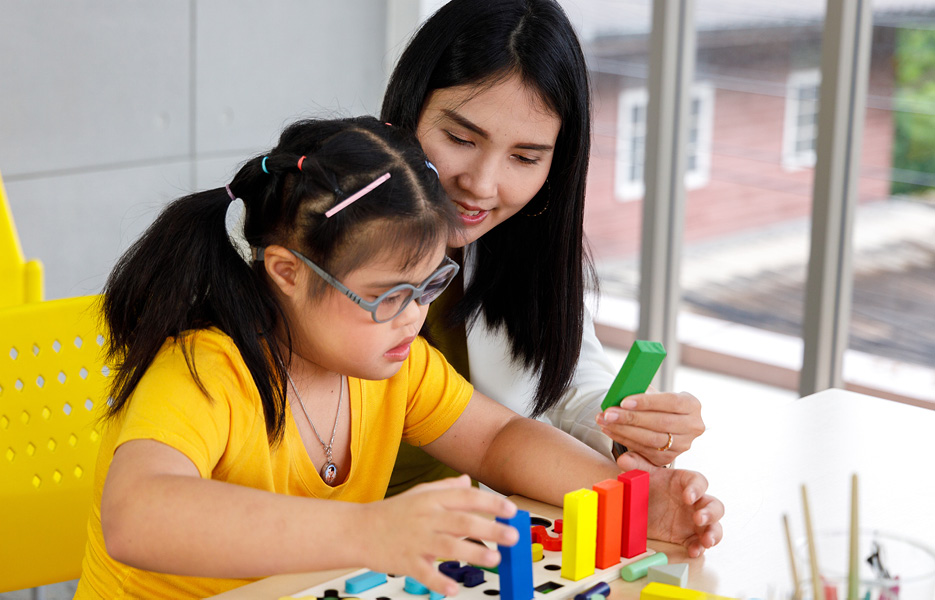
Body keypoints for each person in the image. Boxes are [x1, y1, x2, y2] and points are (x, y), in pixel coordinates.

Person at [75, 117, 723, 599]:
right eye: (387, 295)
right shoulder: (206, 370)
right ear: (287, 273)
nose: (413, 316)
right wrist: (369, 531)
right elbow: (136, 516)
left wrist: (631, 500)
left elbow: (498, 440)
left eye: (428, 286)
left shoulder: (393, 363)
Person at [380, 0, 705, 494]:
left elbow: (563, 381)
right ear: (408, 109)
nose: (483, 185)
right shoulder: (318, 236)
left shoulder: (522, 239)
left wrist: (629, 429)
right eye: (460, 138)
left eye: (525, 157)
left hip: (477, 537)